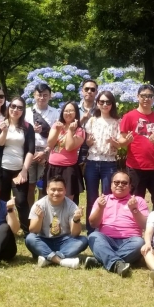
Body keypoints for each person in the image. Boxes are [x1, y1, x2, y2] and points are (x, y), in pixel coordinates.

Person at [86, 171, 149, 276]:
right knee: (93, 236)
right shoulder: (102, 200)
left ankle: (102, 260)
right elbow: (93, 224)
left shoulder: (138, 201)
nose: (120, 185)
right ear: (111, 185)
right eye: (116, 182)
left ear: (130, 186)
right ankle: (116, 263)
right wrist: (100, 208)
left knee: (139, 243)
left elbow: (145, 225)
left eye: (124, 183)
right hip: (106, 240)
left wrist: (134, 209)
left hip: (131, 241)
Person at [25, 176, 88, 269]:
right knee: (30, 238)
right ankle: (61, 261)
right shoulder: (39, 205)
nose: (56, 193)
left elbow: (75, 234)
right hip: (44, 240)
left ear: (65, 191)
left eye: (60, 190)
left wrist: (76, 219)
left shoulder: (71, 206)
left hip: (64, 241)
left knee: (84, 240)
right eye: (53, 190)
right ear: (47, 190)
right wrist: (39, 218)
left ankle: (48, 258)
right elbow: (33, 231)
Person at [0, 96, 35, 234]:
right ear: (9, 107)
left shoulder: (28, 127)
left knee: (21, 201)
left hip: (19, 170)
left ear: (23, 111)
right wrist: (4, 131)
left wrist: (24, 171)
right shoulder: (0, 124)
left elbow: (30, 150)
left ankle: (27, 233)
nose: (16, 110)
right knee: (2, 201)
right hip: (1, 169)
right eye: (13, 106)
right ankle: (3, 230)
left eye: (20, 108)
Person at [118, 84, 154, 206]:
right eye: (143, 96)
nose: (146, 99)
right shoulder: (129, 117)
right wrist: (126, 141)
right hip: (135, 167)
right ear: (137, 97)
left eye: (150, 96)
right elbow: (121, 140)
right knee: (135, 201)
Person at [84, 90, 121, 233]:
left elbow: (120, 145)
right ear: (97, 103)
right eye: (102, 102)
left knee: (108, 196)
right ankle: (91, 228)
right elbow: (88, 143)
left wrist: (113, 142)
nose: (105, 104)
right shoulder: (92, 121)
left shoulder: (117, 122)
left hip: (109, 162)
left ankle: (106, 227)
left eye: (108, 102)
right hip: (92, 161)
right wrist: (88, 141)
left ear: (112, 104)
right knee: (91, 197)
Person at [25, 83, 60, 203]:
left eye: (45, 95)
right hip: (30, 152)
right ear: (34, 95)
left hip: (47, 152)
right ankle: (30, 212)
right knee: (29, 185)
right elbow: (20, 132)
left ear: (50, 96)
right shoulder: (26, 112)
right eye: (39, 95)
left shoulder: (55, 113)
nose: (42, 97)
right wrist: (31, 131)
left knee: (43, 186)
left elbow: (58, 135)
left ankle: (41, 211)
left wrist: (45, 152)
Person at [46, 101, 85, 200]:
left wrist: (71, 131)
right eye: (66, 111)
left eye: (71, 111)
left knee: (68, 198)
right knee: (52, 196)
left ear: (76, 113)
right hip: (53, 166)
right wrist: (58, 130)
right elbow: (50, 144)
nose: (68, 113)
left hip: (68, 168)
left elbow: (69, 147)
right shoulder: (56, 125)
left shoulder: (80, 131)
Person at [76, 79, 99, 206]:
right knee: (73, 187)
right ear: (82, 91)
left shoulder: (101, 108)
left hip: (94, 150)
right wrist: (82, 120)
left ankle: (93, 217)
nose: (89, 91)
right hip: (75, 149)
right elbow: (67, 129)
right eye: (86, 89)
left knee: (92, 191)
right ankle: (72, 215)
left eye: (92, 89)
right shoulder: (74, 108)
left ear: (96, 92)